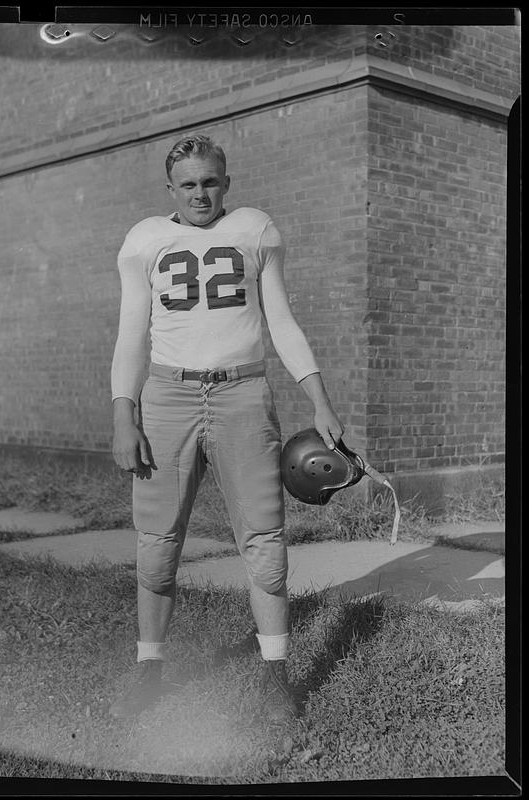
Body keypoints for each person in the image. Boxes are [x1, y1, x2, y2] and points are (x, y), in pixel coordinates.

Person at [110, 134, 344, 723]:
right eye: (187, 184)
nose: (200, 193)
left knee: (265, 542)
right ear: (170, 190)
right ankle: (149, 671)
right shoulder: (145, 240)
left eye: (210, 181)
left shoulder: (254, 229)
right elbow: (131, 334)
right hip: (168, 396)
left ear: (227, 182)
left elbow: (282, 321)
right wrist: (123, 413)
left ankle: (274, 677)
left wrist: (319, 398)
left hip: (242, 392)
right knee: (157, 546)